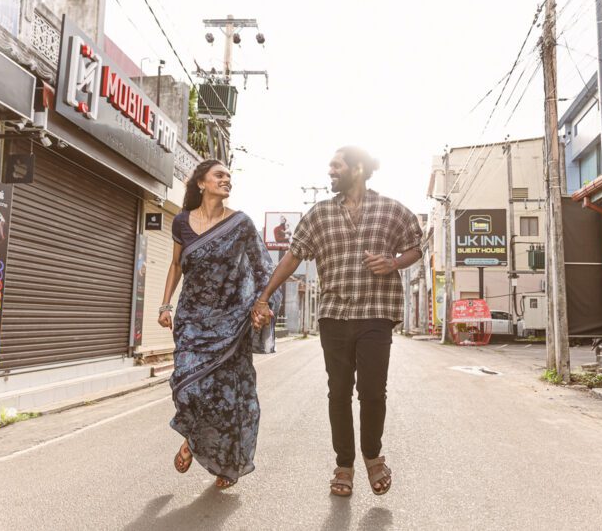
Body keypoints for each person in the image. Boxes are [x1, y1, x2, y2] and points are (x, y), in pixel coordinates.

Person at [252, 146, 423, 497]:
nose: (330, 170)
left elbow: (416, 246)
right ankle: (344, 465)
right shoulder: (319, 214)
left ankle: (373, 457)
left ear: (357, 169)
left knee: (373, 392)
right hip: (335, 315)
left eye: (336, 165)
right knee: (339, 392)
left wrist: (394, 263)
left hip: (376, 312)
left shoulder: (391, 209)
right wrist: (264, 295)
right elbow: (292, 256)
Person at [159, 159, 280, 489]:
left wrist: (263, 302)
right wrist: (165, 304)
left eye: (230, 175)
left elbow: (262, 268)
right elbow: (174, 265)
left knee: (228, 398)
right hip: (191, 321)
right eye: (219, 175)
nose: (227, 179)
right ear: (201, 182)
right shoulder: (182, 222)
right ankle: (193, 437)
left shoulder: (241, 223)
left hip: (231, 324)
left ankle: (225, 465)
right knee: (187, 387)